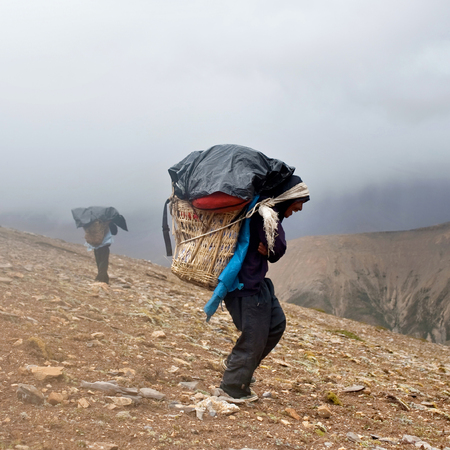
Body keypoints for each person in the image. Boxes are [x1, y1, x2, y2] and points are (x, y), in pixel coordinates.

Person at [219, 175, 310, 401]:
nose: (299, 208)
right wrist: (271, 251)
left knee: (276, 325)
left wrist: (270, 251)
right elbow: (277, 248)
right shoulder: (264, 215)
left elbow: (272, 249)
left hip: (258, 284)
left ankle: (240, 369)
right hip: (245, 286)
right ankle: (232, 387)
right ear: (289, 198)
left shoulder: (265, 213)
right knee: (254, 337)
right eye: (299, 202)